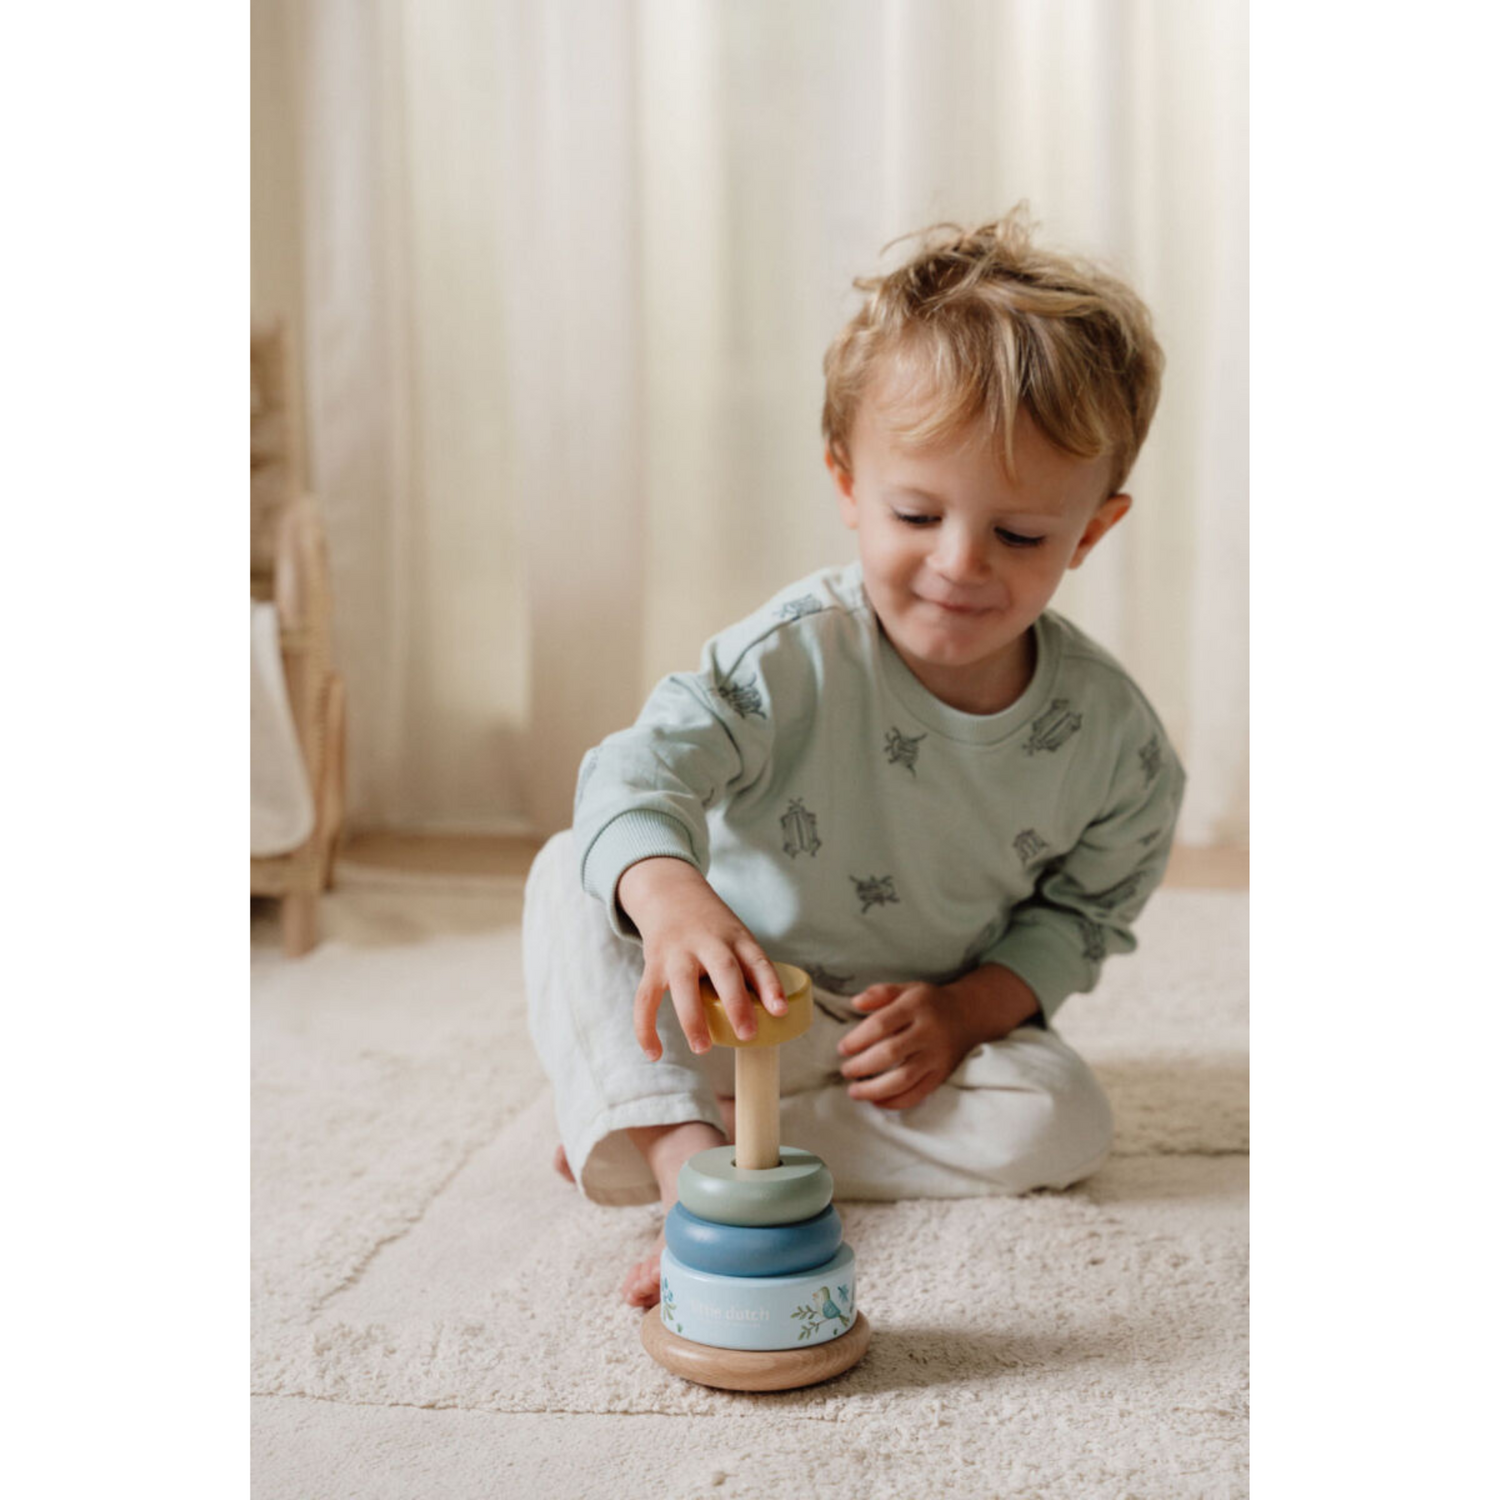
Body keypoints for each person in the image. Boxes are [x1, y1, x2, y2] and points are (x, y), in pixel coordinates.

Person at [524, 207, 1185, 1309]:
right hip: (725, 1002)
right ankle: (686, 1156)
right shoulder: (791, 655)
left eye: (1021, 536)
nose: (960, 566)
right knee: (569, 870)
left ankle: (678, 1128)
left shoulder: (1117, 748)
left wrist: (967, 1011)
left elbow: (1084, 918)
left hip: (893, 1043)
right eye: (917, 513)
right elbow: (636, 774)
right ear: (846, 483)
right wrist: (675, 903)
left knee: (1065, 1122)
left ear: (1093, 531)